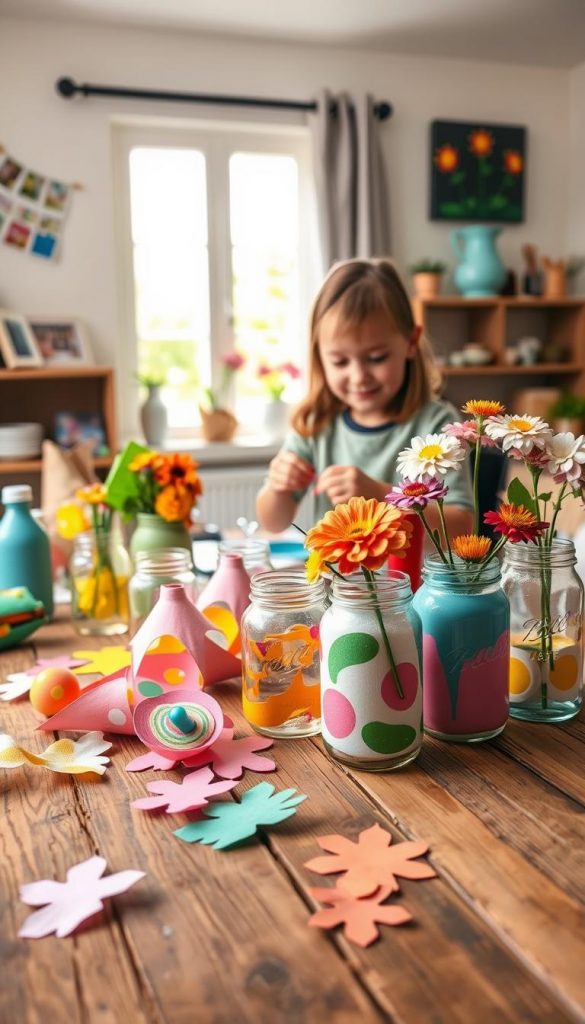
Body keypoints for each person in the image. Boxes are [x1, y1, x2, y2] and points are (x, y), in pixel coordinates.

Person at [256, 258, 474, 536]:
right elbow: (272, 522)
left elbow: (461, 530)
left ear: (410, 342)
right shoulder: (317, 423)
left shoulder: (437, 424)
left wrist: (383, 496)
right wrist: (278, 485)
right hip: (335, 580)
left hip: (410, 581)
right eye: (339, 361)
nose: (359, 376)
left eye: (376, 358)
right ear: (319, 357)